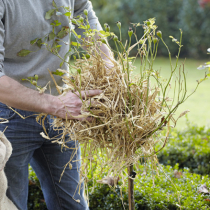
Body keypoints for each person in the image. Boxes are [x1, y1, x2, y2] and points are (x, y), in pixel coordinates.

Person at [0, 0, 112, 209]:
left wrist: (106, 63)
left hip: (62, 112)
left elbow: (82, 10)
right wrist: (55, 105)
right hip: (8, 116)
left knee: (73, 204)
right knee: (10, 205)